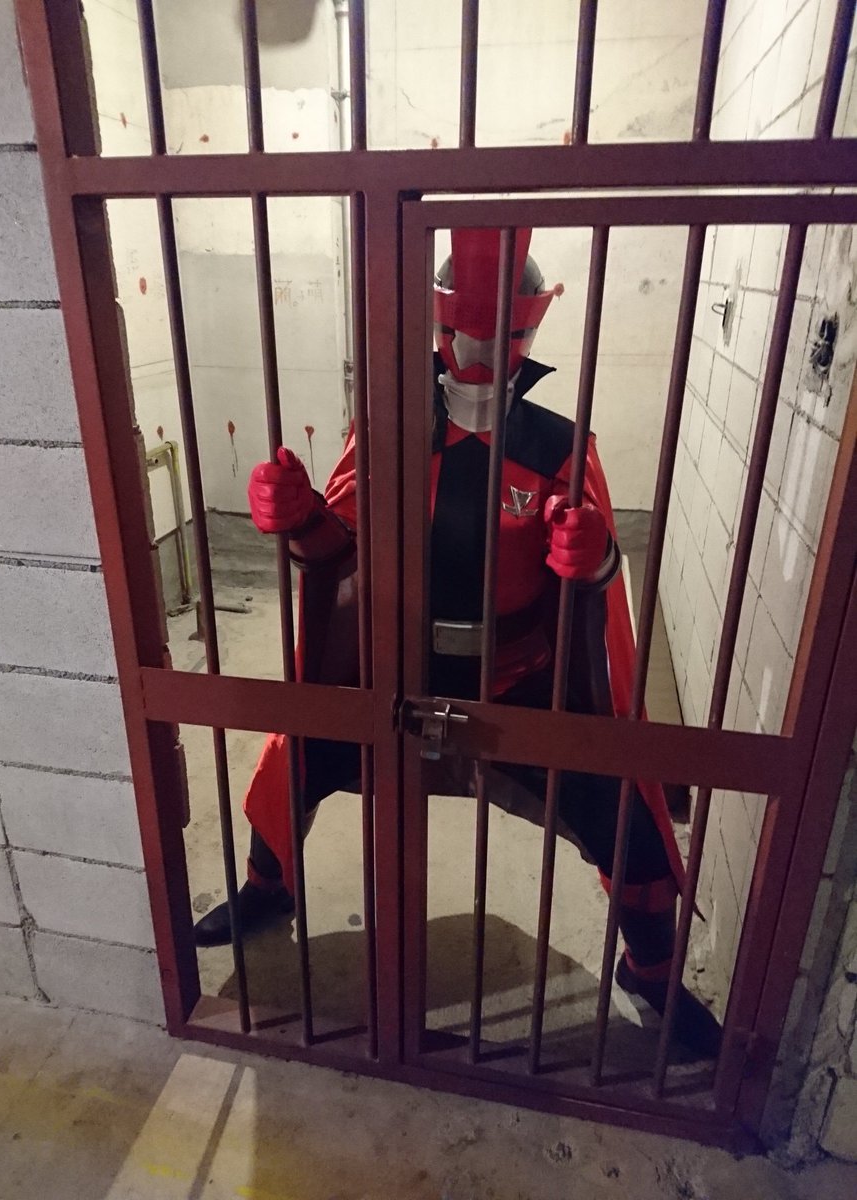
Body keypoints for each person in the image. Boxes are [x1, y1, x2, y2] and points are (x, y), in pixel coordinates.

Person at [193, 228, 722, 1057]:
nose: (477, 353)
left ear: (529, 330)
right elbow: (343, 549)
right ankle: (270, 886)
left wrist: (592, 557)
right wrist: (298, 520)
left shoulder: (559, 446)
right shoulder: (389, 431)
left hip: (518, 682)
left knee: (628, 817)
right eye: (462, 331)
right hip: (398, 676)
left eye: (500, 333)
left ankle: (650, 970)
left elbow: (595, 573)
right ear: (437, 327)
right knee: (293, 755)